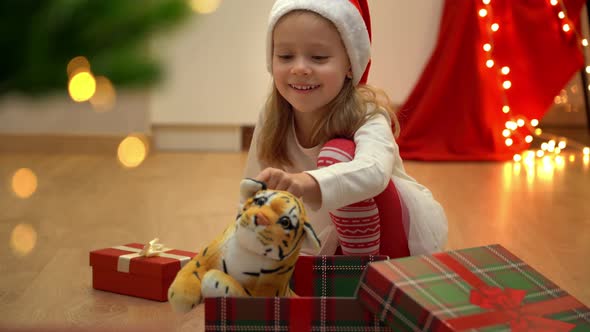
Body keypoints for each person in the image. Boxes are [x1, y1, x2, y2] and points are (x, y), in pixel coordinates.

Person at [243, 0, 448, 258]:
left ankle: (363, 276)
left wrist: (306, 182)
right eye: (285, 56)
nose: (299, 68)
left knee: (337, 153)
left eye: (318, 57)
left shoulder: (367, 113)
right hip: (322, 236)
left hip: (388, 237)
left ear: (350, 65)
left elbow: (375, 172)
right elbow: (253, 187)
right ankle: (335, 276)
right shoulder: (271, 115)